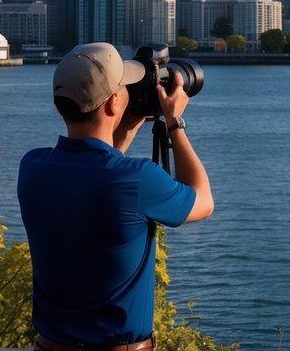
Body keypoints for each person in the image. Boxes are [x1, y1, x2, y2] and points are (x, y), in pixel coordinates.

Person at [18, 42, 214, 351]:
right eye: (126, 87)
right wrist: (175, 123)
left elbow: (96, 177)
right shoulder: (137, 178)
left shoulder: (32, 168)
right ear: (112, 104)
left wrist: (129, 124)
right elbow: (203, 202)